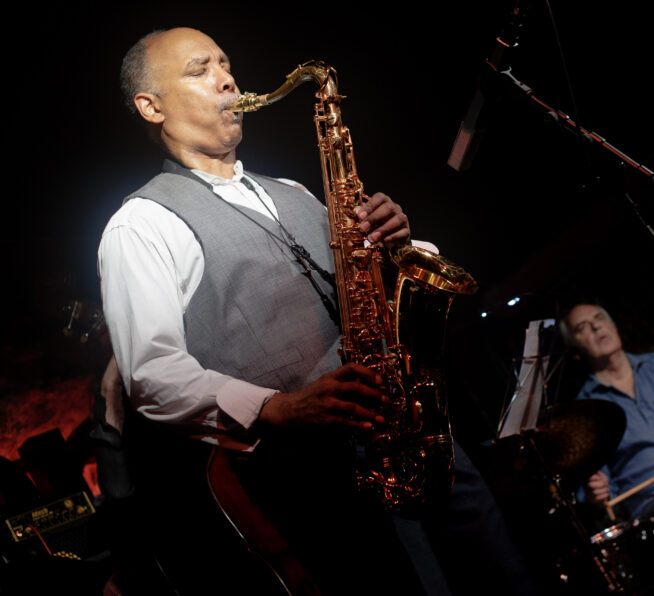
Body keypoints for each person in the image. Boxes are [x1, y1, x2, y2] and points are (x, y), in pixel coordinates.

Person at [98, 27, 534, 596]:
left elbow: (368, 290)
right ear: (151, 106)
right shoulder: (140, 225)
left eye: (225, 63)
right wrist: (275, 407)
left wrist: (396, 245)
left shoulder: (296, 191)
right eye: (200, 70)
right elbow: (152, 374)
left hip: (419, 437)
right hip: (325, 483)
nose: (226, 78)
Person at [560, 303, 654, 548]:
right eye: (582, 327)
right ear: (575, 351)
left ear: (614, 326)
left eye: (599, 318)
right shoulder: (584, 413)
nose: (596, 326)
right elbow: (596, 492)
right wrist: (595, 493)